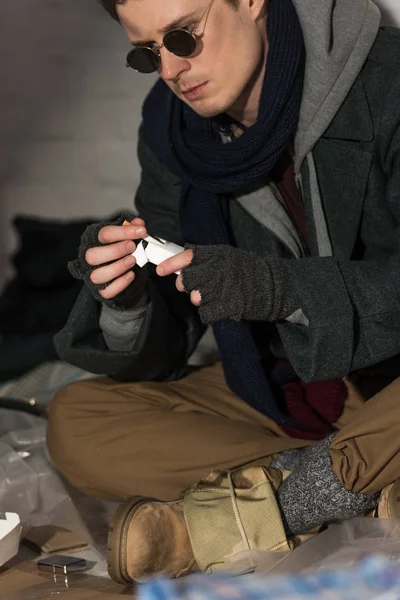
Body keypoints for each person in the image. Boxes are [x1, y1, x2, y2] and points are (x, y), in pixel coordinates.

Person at [47, 0, 400, 585]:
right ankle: (356, 483)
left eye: (183, 37)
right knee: (78, 420)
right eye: (147, 53)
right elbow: (174, 326)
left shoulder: (387, 83)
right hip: (294, 389)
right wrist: (128, 297)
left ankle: (263, 512)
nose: (170, 70)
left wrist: (280, 289)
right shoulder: (172, 129)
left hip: (390, 385)